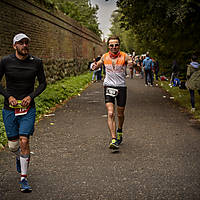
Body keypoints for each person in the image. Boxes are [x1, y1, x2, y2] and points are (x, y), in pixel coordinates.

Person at [0, 33, 47, 192]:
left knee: (24, 140)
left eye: (27, 42)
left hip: (28, 109)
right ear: (14, 46)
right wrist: (9, 96)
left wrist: (31, 96)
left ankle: (24, 179)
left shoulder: (36, 62)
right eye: (21, 43)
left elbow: (42, 84)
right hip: (9, 109)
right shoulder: (6, 61)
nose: (25, 45)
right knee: (13, 146)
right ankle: (19, 156)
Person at [92, 36, 133, 150]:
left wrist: (132, 64)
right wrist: (95, 66)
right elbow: (99, 64)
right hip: (109, 86)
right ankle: (114, 139)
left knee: (120, 114)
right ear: (108, 46)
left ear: (119, 45)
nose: (114, 47)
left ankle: (119, 129)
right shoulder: (105, 56)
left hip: (121, 88)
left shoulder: (124, 56)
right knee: (110, 113)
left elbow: (130, 62)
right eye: (111, 45)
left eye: (116, 45)